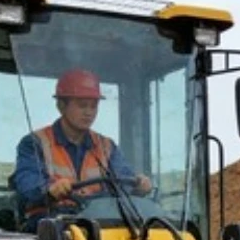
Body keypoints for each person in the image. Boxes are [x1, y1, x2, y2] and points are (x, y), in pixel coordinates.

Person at [11, 68, 152, 229]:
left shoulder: (106, 146)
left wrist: (138, 186)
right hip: (52, 223)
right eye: (82, 105)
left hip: (97, 223)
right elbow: (27, 181)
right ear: (61, 106)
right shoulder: (35, 143)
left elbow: (122, 179)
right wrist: (50, 189)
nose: (89, 113)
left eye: (93, 106)